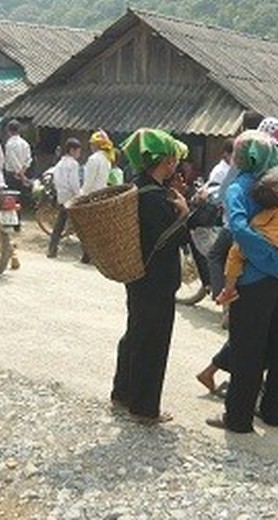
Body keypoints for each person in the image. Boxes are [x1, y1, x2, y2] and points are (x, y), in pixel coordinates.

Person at [206, 130, 278, 433]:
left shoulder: (239, 188)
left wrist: (267, 257)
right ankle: (277, 412)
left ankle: (238, 418)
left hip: (256, 279)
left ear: (243, 157)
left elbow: (237, 228)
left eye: (235, 152)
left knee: (248, 347)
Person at [110, 128, 189, 425]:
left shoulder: (136, 187)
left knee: (136, 334)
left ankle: (123, 393)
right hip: (157, 279)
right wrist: (184, 213)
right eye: (174, 161)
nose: (176, 166)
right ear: (167, 161)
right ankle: (144, 409)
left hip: (138, 275)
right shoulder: (155, 199)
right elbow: (172, 240)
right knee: (153, 343)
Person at [215, 174, 278, 307]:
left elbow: (247, 227)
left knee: (235, 254)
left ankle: (228, 290)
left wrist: (251, 230)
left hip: (269, 252)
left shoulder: (266, 212)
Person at [79, 130, 116, 263]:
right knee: (98, 228)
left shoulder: (94, 159)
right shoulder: (107, 159)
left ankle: (87, 256)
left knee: (88, 228)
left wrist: (81, 195)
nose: (90, 146)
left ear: (96, 145)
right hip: (102, 195)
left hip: (92, 197)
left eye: (92, 144)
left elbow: (88, 182)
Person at [46, 138, 82, 258]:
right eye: (78, 151)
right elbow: (74, 183)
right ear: (72, 150)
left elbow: (56, 180)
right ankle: (87, 253)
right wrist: (79, 194)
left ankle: (52, 249)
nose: (79, 154)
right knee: (80, 224)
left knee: (59, 224)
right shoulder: (73, 164)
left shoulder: (59, 163)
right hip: (71, 197)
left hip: (62, 196)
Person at [3, 119, 32, 194]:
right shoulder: (25, 143)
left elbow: (13, 161)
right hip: (24, 172)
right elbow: (28, 160)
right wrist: (23, 172)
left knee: (12, 197)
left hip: (12, 175)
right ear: (19, 130)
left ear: (8, 130)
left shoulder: (9, 144)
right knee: (23, 196)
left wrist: (20, 174)